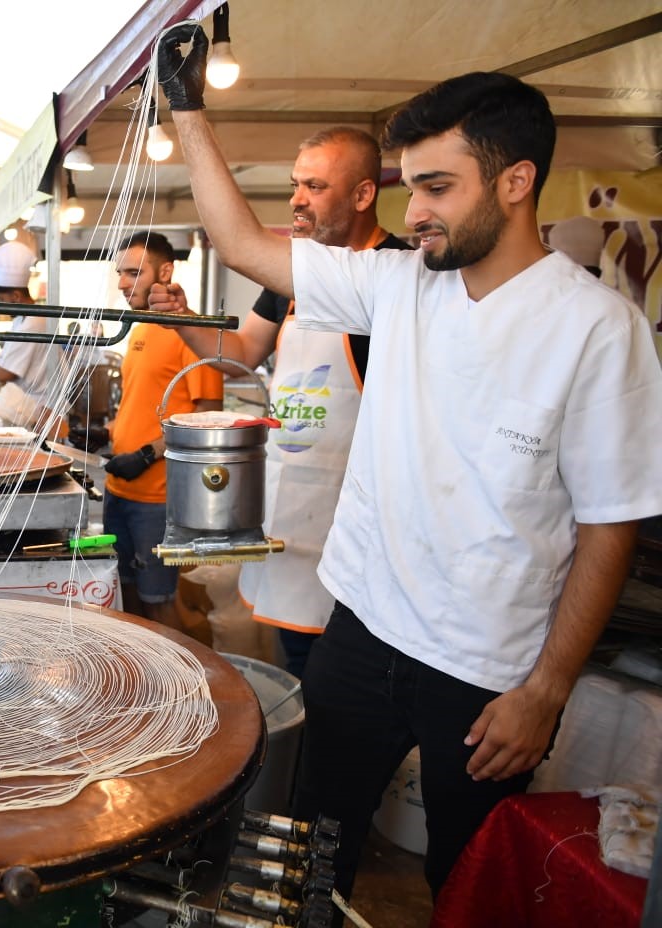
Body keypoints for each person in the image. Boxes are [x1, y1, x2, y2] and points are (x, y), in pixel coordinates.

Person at [158, 25, 662, 901]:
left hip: (489, 666)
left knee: (466, 881)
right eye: (410, 186)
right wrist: (189, 111)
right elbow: (242, 245)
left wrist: (544, 691)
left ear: (515, 183)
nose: (415, 212)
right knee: (312, 846)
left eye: (437, 187)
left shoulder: (596, 330)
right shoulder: (400, 283)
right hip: (366, 624)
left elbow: (610, 521)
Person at [151, 127, 412, 676]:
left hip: (356, 521)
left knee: (345, 671)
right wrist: (183, 318)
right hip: (290, 510)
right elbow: (242, 350)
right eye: (296, 184)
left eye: (314, 186)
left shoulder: (399, 274)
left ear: (363, 195)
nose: (296, 199)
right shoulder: (296, 274)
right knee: (298, 663)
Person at [101, 231, 223, 633]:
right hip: (120, 491)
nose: (122, 282)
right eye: (121, 273)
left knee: (160, 605)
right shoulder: (140, 326)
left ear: (165, 271)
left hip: (159, 499)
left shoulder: (190, 331)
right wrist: (112, 433)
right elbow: (145, 402)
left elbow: (208, 417)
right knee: (127, 600)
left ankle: (183, 689)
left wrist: (147, 454)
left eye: (134, 272)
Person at [0, 242, 65, 435]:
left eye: (3, 301)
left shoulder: (34, 322)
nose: (2, 307)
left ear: (15, 296)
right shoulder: (24, 318)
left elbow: (4, 374)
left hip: (44, 412)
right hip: (34, 408)